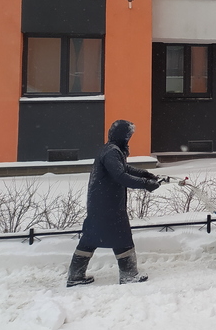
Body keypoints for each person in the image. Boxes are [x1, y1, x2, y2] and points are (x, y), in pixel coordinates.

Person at [66, 120, 160, 287]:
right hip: (108, 204)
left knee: (90, 238)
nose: (129, 138)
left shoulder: (111, 149)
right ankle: (129, 275)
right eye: (128, 135)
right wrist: (145, 184)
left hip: (100, 203)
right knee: (122, 237)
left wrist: (145, 175)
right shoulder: (112, 152)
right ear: (123, 136)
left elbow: (124, 169)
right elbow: (121, 176)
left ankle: (76, 275)